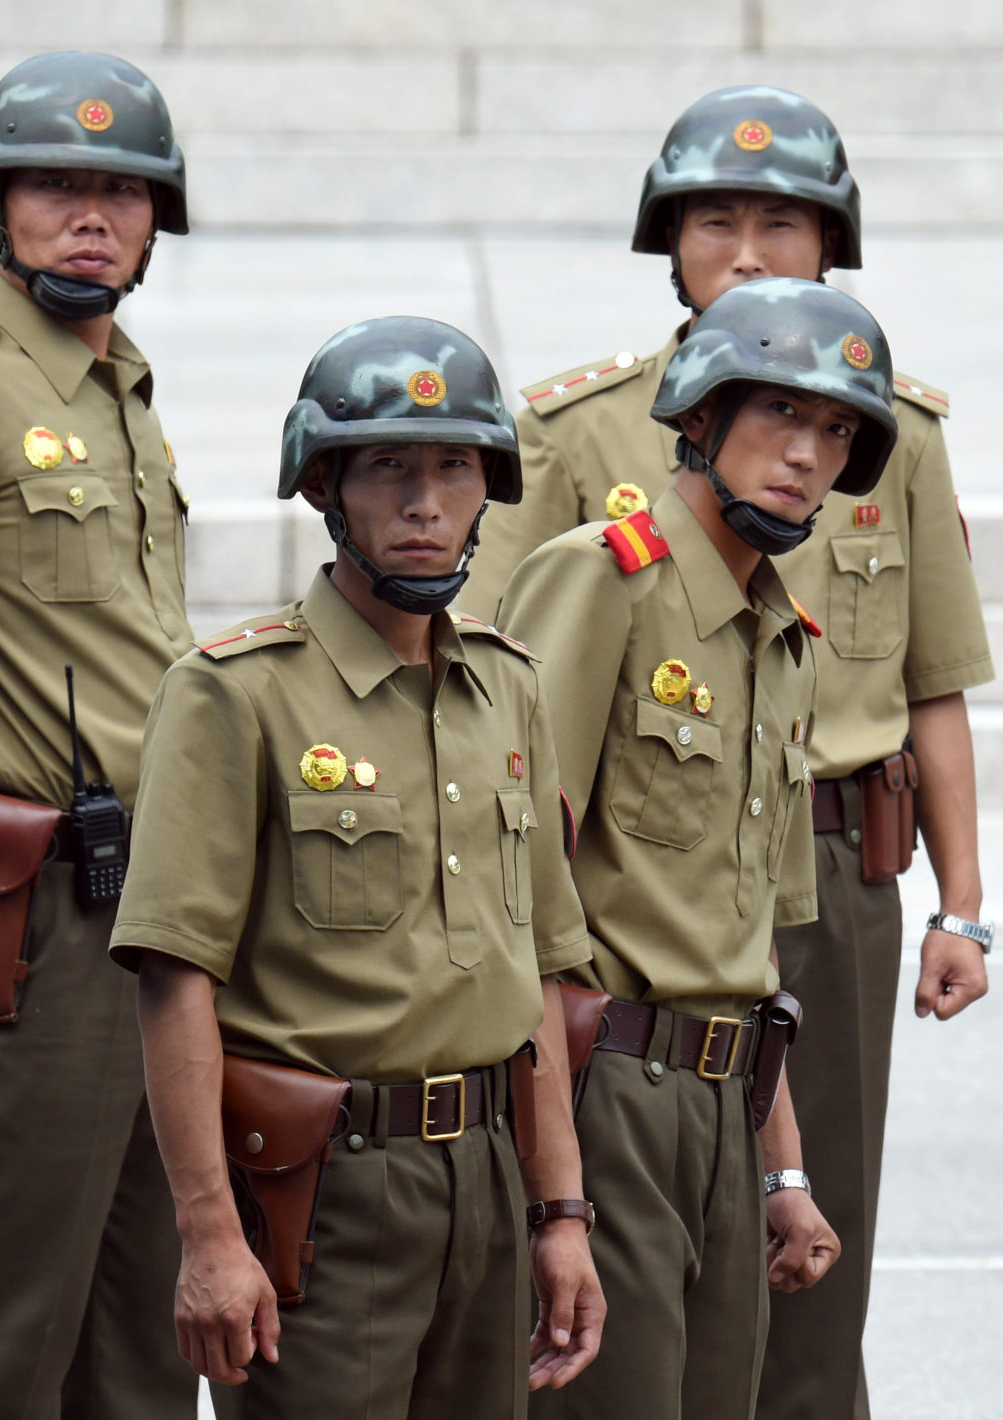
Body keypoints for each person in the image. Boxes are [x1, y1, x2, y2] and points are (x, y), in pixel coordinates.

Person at [471, 87, 995, 1420]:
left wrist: (966, 906)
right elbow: (508, 727)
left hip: (814, 875)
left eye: (786, 222)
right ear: (671, 240)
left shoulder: (893, 441)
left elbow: (933, 680)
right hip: (626, 914)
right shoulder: (590, 441)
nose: (753, 251)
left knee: (810, 1242)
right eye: (720, 220)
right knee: (624, 1284)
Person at [111, 317, 605, 1417]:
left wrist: (558, 1212)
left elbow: (533, 978)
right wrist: (205, 1232)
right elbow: (172, 978)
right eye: (387, 466)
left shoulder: (509, 687)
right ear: (326, 485)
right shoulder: (233, 692)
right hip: (322, 1193)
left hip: (482, 1169)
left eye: (452, 467)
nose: (423, 500)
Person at [502, 277, 900, 1419]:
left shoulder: (782, 637)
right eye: (778, 414)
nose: (806, 455)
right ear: (698, 416)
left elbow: (752, 951)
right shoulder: (601, 577)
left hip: (729, 1099)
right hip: (605, 1088)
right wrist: (557, 1198)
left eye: (834, 431)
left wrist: (782, 1172)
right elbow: (514, 895)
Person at [0, 50, 198, 1418]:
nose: (92, 216)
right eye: (58, 188)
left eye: (120, 192)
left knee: (141, 1329)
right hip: (29, 918)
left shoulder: (124, 391)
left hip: (156, 908)